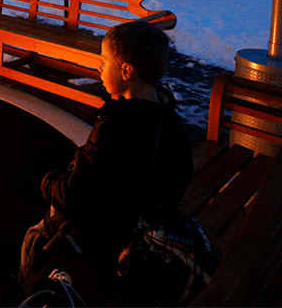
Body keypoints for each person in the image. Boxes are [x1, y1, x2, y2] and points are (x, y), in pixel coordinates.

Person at [19, 20, 193, 294]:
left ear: (126, 70)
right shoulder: (166, 116)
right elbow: (180, 174)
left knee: (35, 237)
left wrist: (49, 183)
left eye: (104, 61)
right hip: (137, 222)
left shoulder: (118, 127)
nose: (99, 67)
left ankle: (29, 293)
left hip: (108, 235)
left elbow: (75, 194)